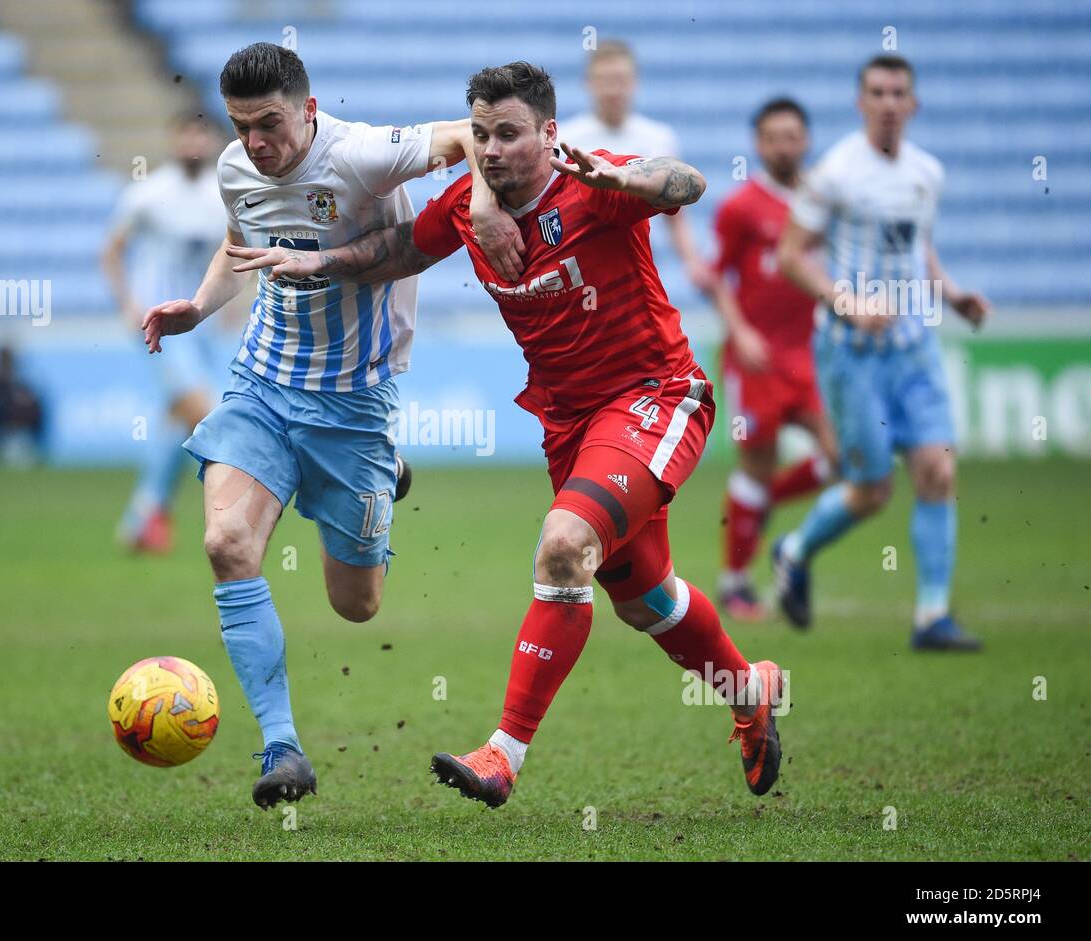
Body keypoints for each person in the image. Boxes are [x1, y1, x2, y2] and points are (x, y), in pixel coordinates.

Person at [229, 62, 785, 807]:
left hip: (653, 397)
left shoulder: (595, 182)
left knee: (562, 549)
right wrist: (318, 260)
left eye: (510, 134)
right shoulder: (467, 203)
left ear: (550, 134)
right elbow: (401, 252)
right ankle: (750, 689)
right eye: (482, 134)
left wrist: (632, 185)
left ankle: (503, 752)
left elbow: (683, 182)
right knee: (645, 598)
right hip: (571, 423)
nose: (491, 150)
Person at [139, 42, 518, 808]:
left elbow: (461, 135)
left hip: (353, 408)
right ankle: (283, 749)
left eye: (270, 123)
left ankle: (387, 474)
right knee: (225, 543)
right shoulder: (235, 168)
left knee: (357, 604)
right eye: (242, 126)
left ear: (308, 111)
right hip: (263, 389)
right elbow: (236, 242)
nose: (255, 142)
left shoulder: (360, 156)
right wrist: (198, 305)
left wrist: (480, 196)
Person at [773, 55, 991, 651]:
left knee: (937, 470)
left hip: (914, 345)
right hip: (851, 352)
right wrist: (846, 302)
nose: (890, 102)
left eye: (899, 92)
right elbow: (792, 255)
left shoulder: (927, 173)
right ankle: (794, 550)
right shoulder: (837, 172)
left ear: (913, 103)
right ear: (861, 102)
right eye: (878, 92)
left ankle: (931, 617)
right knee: (871, 489)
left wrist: (952, 295)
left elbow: (918, 252)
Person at [709, 98, 837, 620]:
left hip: (810, 357)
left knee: (844, 460)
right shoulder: (742, 207)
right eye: (773, 137)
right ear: (759, 145)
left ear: (806, 140)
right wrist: (740, 333)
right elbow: (717, 276)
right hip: (756, 360)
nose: (783, 145)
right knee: (755, 467)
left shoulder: (825, 203)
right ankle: (735, 581)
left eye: (792, 135)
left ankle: (760, 514)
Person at [101, 113, 231, 552]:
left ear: (213, 140)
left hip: (200, 327)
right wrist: (127, 304)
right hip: (159, 326)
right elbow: (112, 250)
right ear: (174, 139)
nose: (194, 141)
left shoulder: (222, 196)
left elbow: (233, 254)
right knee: (203, 412)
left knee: (176, 422)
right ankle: (230, 511)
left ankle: (144, 517)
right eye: (186, 133)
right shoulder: (149, 193)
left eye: (202, 132)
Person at [557, 40, 714, 293]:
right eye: (603, 80)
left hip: (640, 261)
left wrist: (691, 260)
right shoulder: (567, 138)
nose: (612, 89)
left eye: (619, 79)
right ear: (588, 83)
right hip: (582, 263)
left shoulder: (658, 137)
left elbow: (674, 210)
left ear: (634, 82)